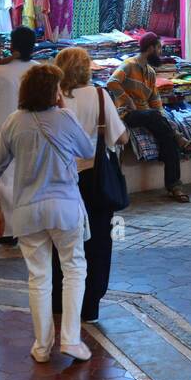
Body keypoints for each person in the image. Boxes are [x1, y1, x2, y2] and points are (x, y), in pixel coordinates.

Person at [0, 63, 96, 363]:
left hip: (27, 212)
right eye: (58, 89)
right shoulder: (65, 117)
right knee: (73, 269)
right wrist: (61, 108)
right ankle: (70, 339)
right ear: (54, 92)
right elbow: (87, 151)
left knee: (38, 277)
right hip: (65, 209)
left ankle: (42, 346)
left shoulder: (13, 121)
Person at [54, 46, 129, 323]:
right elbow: (120, 138)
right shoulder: (100, 96)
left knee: (61, 241)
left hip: (60, 182)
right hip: (94, 181)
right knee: (96, 243)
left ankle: (59, 301)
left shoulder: (55, 97)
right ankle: (89, 306)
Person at [107, 32, 190, 203]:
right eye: (159, 48)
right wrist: (127, 99)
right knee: (155, 118)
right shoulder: (128, 65)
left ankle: (174, 186)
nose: (161, 52)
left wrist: (166, 119)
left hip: (148, 115)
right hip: (127, 113)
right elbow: (111, 82)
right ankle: (178, 138)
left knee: (168, 139)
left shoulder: (151, 72)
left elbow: (156, 102)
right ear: (151, 48)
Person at [0, 26, 38, 243]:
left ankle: (7, 232)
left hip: (3, 130)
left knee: (3, 179)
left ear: (12, 46)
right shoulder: (38, 70)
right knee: (29, 178)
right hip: (31, 130)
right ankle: (28, 227)